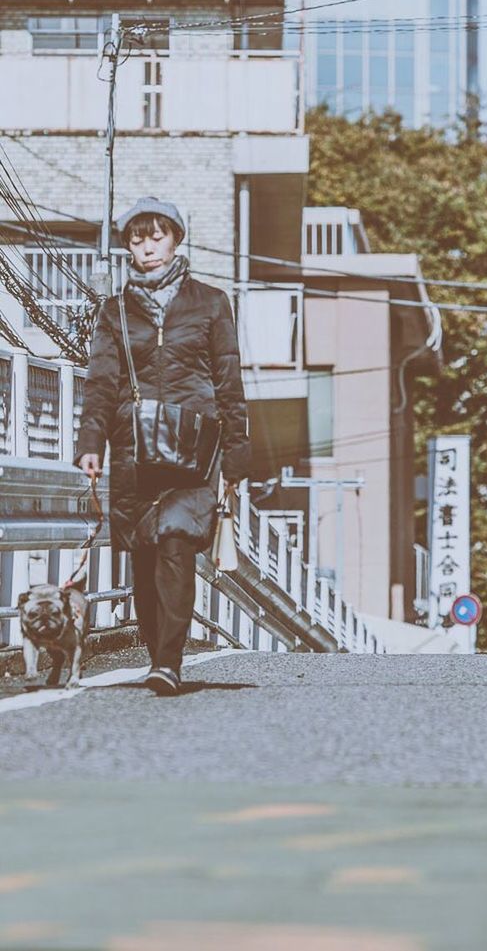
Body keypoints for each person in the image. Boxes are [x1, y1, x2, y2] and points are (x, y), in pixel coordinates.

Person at [75, 197, 250, 695]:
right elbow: (101, 382)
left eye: (157, 236)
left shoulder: (211, 303)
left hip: (195, 449)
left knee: (176, 542)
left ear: (176, 238)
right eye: (137, 238)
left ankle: (170, 660)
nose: (147, 248)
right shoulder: (115, 311)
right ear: (128, 245)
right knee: (145, 558)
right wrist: (91, 441)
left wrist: (236, 457)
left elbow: (229, 382)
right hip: (132, 451)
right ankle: (158, 653)